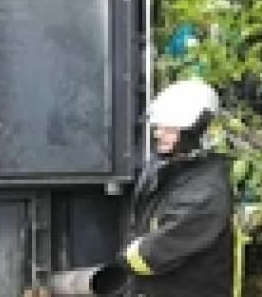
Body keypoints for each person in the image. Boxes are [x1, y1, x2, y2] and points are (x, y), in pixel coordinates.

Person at [94, 79, 234, 297]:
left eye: (169, 129)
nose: (158, 134)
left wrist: (120, 266)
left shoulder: (206, 192)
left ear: (194, 132)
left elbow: (155, 252)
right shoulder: (165, 169)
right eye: (159, 127)